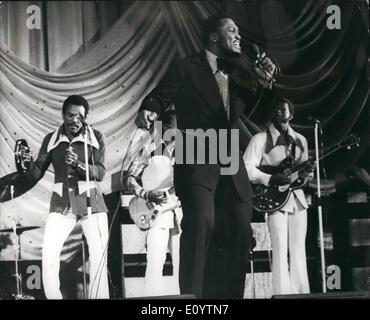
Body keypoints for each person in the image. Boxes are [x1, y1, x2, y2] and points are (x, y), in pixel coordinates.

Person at [135, 14, 276, 298]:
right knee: (202, 224)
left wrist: (267, 82)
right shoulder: (186, 67)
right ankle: (193, 300)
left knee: (238, 231)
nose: (239, 35)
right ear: (214, 36)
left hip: (229, 160)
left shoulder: (239, 72)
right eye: (232, 30)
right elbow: (160, 96)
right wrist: (149, 108)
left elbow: (259, 112)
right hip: (196, 154)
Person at [18, 95, 110, 299]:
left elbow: (101, 173)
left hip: (91, 203)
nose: (74, 120)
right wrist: (26, 165)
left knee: (99, 256)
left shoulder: (96, 137)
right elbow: (36, 173)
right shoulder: (51, 139)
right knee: (49, 254)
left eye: (80, 116)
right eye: (70, 115)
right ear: (63, 115)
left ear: (86, 118)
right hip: (62, 204)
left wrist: (78, 165)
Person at [243, 96, 313, 295]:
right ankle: (283, 294)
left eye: (283, 109)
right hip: (274, 199)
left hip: (297, 199)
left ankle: (302, 293)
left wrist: (308, 174)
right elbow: (245, 169)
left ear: (291, 114)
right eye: (276, 109)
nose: (279, 112)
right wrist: (271, 179)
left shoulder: (301, 140)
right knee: (280, 248)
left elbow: (302, 176)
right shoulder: (260, 139)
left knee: (299, 248)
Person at [126, 110, 182, 296]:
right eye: (169, 127)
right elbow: (130, 178)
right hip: (157, 213)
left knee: (183, 265)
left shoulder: (190, 152)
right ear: (161, 127)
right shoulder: (150, 149)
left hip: (183, 213)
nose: (174, 132)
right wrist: (146, 194)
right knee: (155, 263)